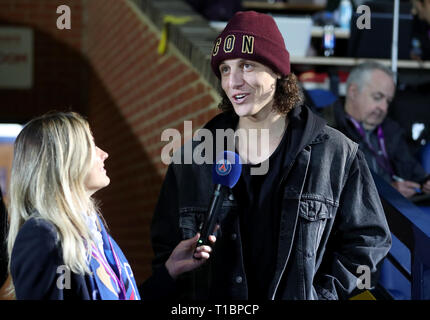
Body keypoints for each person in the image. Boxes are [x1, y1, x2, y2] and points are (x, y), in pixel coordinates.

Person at [150, 11, 391, 300]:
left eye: (247, 66)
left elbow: (368, 242)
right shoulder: (193, 159)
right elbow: (166, 252)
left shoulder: (336, 153)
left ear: (277, 70)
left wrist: (322, 296)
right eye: (225, 69)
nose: (233, 81)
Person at [6, 112, 214, 300]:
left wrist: (170, 270)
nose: (104, 153)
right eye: (91, 145)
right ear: (63, 160)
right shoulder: (43, 236)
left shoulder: (92, 231)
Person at [323, 62, 430, 199]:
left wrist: (425, 181)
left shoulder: (390, 129)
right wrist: (387, 191)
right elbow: (332, 185)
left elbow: (410, 167)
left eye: (388, 101)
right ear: (353, 92)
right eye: (377, 97)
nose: (383, 108)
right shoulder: (329, 129)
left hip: (402, 209)